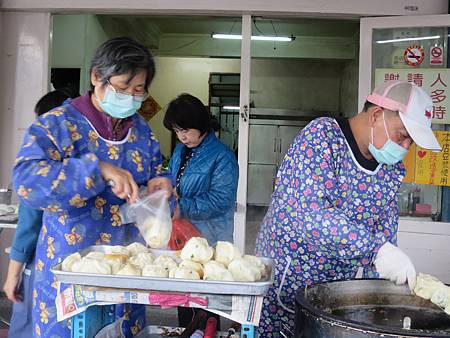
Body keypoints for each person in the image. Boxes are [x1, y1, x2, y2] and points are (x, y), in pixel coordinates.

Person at [12, 37, 172, 338]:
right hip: (70, 270)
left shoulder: (141, 131)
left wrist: (161, 189)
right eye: (123, 87)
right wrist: (96, 169)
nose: (131, 96)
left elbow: (154, 178)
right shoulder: (56, 125)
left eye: (139, 90)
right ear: (96, 77)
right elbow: (26, 181)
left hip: (127, 272)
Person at [255, 80, 442, 336]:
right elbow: (310, 215)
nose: (406, 148)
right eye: (403, 135)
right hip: (287, 283)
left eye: (412, 142)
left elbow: (384, 238)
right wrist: (375, 251)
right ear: (376, 115)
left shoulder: (390, 170)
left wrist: (383, 301)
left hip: (335, 294)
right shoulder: (322, 138)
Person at [3, 90, 74, 338]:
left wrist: (12, 276)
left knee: (30, 325)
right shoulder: (87, 162)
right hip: (79, 269)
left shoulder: (42, 167)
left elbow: (28, 227)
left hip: (43, 266)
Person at [163, 93, 239, 245]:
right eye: (177, 131)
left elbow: (221, 200)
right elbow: (170, 178)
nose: (181, 137)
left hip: (211, 235)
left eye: (185, 130)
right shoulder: (179, 150)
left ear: (200, 124)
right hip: (181, 233)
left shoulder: (223, 156)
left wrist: (181, 207)